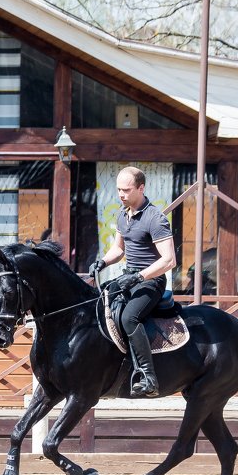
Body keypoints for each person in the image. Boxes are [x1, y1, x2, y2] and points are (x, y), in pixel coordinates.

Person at [89, 166, 176, 397]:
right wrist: (103, 262)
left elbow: (169, 260)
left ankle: (149, 377)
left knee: (129, 317)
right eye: (118, 190)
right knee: (100, 303)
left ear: (141, 188)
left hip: (151, 281)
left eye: (126, 190)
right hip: (129, 276)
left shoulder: (155, 218)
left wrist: (139, 277)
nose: (121, 194)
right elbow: (118, 249)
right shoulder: (122, 213)